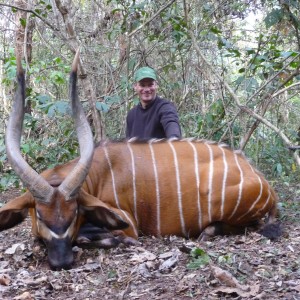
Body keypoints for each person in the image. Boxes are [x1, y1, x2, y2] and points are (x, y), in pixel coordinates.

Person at [126, 66, 182, 139]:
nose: (146, 89)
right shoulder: (131, 115)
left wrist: (174, 138)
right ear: (135, 87)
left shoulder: (165, 107)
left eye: (150, 84)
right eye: (142, 85)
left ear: (156, 85)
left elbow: (171, 123)